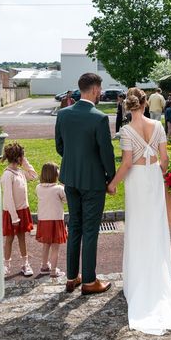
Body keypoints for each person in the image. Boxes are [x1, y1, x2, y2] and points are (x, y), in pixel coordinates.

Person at [107, 88, 171, 335]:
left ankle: (138, 285)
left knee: (138, 229)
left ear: (128, 107)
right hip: (153, 180)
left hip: (137, 181)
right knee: (155, 229)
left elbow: (127, 163)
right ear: (146, 103)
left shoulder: (126, 131)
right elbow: (164, 159)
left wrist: (113, 183)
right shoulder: (158, 126)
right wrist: (163, 176)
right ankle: (157, 282)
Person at [55, 72, 116, 295]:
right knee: (90, 230)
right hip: (93, 182)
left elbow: (60, 147)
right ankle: (89, 281)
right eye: (99, 89)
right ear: (94, 90)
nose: (100, 93)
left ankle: (72, 277)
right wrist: (111, 178)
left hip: (70, 179)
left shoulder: (62, 114)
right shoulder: (99, 118)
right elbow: (106, 154)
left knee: (75, 228)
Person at [1, 141, 37, 277]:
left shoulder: (20, 172)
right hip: (11, 212)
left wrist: (26, 162)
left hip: (22, 210)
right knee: (9, 239)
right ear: (17, 157)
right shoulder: (8, 175)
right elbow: (8, 198)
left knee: (22, 238)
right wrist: (14, 217)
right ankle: (6, 265)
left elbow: (33, 175)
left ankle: (25, 264)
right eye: (23, 156)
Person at [35, 162, 67, 277]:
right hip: (56, 220)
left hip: (43, 221)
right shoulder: (58, 188)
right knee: (55, 247)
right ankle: (53, 271)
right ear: (55, 174)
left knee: (46, 245)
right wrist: (64, 185)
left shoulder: (38, 187)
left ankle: (44, 266)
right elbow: (66, 200)